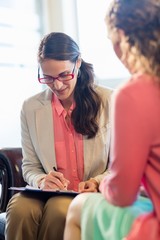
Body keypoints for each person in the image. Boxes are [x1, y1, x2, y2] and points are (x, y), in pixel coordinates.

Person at [64, 0, 160, 239]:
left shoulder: (132, 93)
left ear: (121, 35)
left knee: (77, 206)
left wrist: (100, 185)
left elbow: (122, 194)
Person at [5, 32, 111, 240]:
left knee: (59, 208)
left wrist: (97, 181)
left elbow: (123, 164)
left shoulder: (110, 101)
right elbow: (30, 167)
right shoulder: (31, 107)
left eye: (64, 75)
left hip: (91, 193)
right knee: (18, 207)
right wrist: (42, 180)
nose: (58, 85)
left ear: (77, 63)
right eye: (48, 78)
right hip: (47, 193)